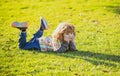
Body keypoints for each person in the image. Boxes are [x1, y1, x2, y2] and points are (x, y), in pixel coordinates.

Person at [11, 17, 76, 52]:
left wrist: (71, 41)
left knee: (34, 39)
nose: (70, 35)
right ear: (61, 34)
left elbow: (73, 50)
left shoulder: (66, 39)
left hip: (40, 41)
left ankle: (42, 28)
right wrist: (66, 43)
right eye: (67, 34)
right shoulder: (56, 40)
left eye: (72, 33)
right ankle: (23, 30)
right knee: (22, 47)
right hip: (38, 44)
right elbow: (58, 50)